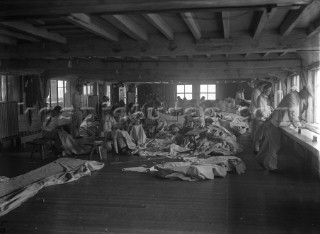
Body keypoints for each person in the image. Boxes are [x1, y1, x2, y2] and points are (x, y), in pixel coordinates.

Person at [256, 85, 313, 173]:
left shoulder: (296, 97)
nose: (307, 97)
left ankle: (259, 159)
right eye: (308, 95)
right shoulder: (292, 97)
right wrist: (301, 125)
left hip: (277, 123)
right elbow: (292, 114)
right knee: (274, 146)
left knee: (268, 144)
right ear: (304, 91)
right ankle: (272, 167)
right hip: (276, 123)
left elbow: (294, 113)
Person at [253, 83, 273, 154]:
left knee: (264, 135)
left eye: (270, 90)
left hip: (265, 119)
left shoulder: (266, 98)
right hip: (261, 119)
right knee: (259, 135)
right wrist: (268, 117)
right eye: (269, 90)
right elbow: (261, 110)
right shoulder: (260, 98)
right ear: (265, 90)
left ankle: (261, 149)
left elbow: (267, 108)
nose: (270, 92)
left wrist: (271, 110)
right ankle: (256, 149)